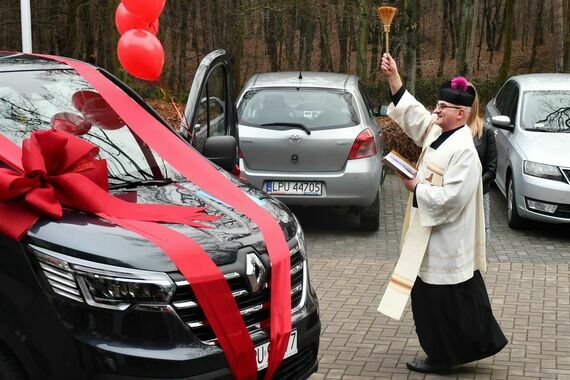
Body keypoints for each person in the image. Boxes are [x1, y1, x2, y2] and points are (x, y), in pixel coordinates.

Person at [380, 52, 507, 375]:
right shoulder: (441, 133)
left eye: (441, 107)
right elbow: (413, 117)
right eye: (436, 105)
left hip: (445, 243)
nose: (434, 110)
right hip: (428, 236)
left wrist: (414, 187)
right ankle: (447, 351)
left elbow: (452, 198)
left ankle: (441, 357)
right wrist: (394, 77)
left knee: (441, 305)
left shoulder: (464, 150)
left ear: (460, 114)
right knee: (432, 299)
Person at [467, 87, 497, 246]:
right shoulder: (446, 130)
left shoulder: (486, 132)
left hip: (479, 194)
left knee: (477, 244)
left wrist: (474, 185)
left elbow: (491, 170)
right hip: (454, 195)